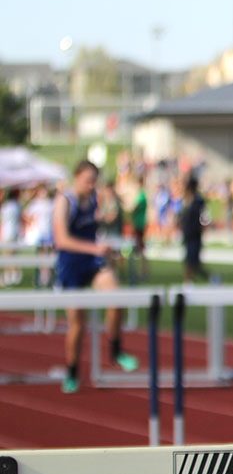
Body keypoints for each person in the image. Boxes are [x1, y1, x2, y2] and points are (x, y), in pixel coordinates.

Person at [53, 160, 139, 394]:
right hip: (71, 265)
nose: (92, 186)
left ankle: (115, 350)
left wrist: (103, 242)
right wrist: (94, 248)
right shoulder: (64, 201)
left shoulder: (93, 199)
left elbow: (95, 227)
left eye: (94, 181)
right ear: (76, 176)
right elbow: (61, 240)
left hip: (92, 262)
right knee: (77, 325)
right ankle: (72, 371)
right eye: (88, 181)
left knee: (116, 298)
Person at [180, 175, 209, 283]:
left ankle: (188, 281)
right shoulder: (187, 200)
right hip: (188, 234)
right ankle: (190, 280)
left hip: (195, 234)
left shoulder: (198, 201)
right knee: (191, 261)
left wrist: (202, 228)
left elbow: (204, 217)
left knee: (193, 262)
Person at [1, 188, 23, 286]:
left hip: (7, 233)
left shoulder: (5, 206)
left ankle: (9, 277)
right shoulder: (17, 206)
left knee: (7, 256)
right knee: (13, 255)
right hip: (15, 233)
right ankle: (13, 276)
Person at [130, 174, 149, 280]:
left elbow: (134, 209)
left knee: (140, 249)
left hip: (139, 224)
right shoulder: (141, 195)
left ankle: (143, 271)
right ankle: (142, 271)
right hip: (139, 224)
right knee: (139, 249)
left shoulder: (141, 196)